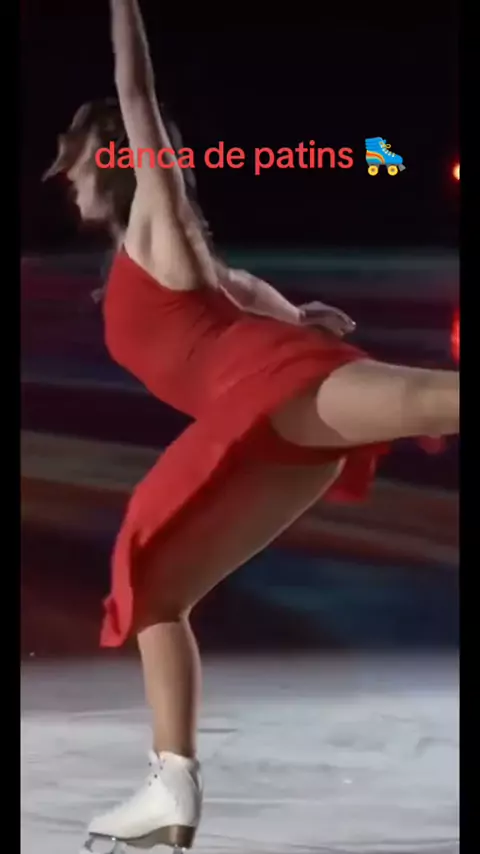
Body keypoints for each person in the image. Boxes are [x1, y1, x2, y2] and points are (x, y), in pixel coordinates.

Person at [43, 2, 459, 851]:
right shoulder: (183, 261)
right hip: (264, 421)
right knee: (154, 584)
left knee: (433, 399)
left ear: (116, 155)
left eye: (77, 156)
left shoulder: (158, 218)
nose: (66, 174)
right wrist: (303, 316)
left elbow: (137, 92)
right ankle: (171, 784)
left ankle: (171, 785)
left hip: (272, 393)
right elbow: (252, 302)